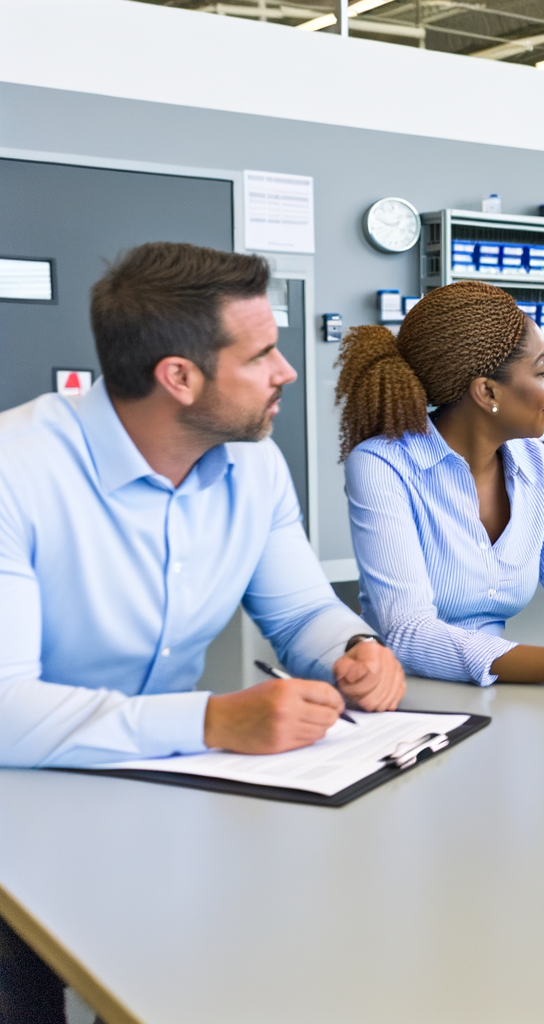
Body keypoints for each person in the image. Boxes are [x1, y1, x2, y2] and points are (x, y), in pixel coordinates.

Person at [0, 241, 407, 1019]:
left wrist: (351, 649)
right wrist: (216, 720)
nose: (287, 371)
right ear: (178, 377)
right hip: (20, 802)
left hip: (162, 786)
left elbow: (298, 611)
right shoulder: (15, 472)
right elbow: (5, 710)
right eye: (261, 355)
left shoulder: (251, 466)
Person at [338, 281, 544, 690]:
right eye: (541, 370)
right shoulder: (382, 465)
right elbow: (408, 632)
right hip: (401, 695)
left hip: (497, 689)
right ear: (487, 392)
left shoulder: (533, 462)